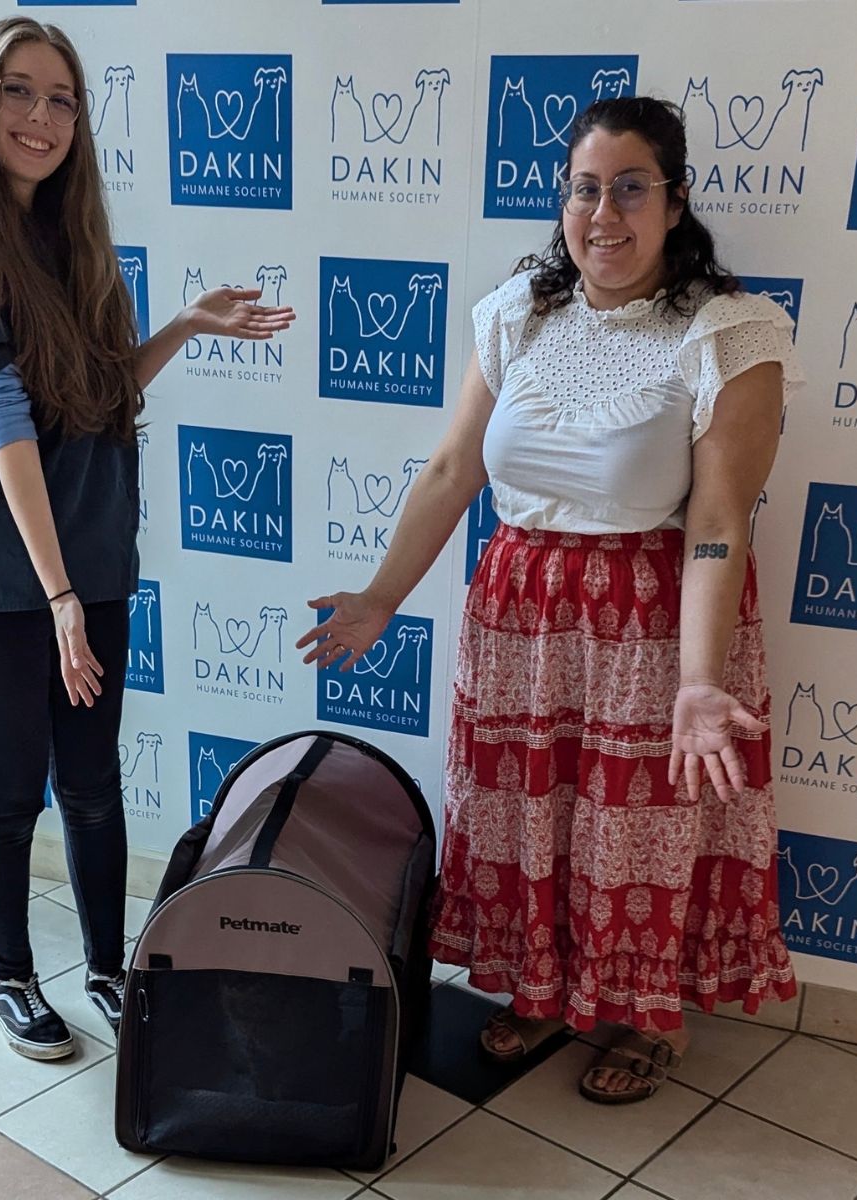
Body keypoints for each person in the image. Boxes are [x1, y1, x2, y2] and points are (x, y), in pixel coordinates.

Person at [299, 96, 801, 1104]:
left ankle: (646, 1018)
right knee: (532, 819)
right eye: (584, 188)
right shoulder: (518, 313)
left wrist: (699, 681)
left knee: (640, 828)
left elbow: (716, 520)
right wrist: (381, 597)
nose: (603, 213)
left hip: (652, 624)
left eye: (629, 188)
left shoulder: (727, 330)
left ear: (674, 200)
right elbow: (451, 471)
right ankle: (540, 991)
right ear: (561, 199)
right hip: (522, 613)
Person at [0, 17, 293, 1060]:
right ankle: (10, 980)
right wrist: (58, 598)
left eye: (62, 99)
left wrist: (186, 327)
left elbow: (96, 401)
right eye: (20, 91)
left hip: (89, 566)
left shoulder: (73, 241)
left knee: (94, 788)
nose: (42, 117)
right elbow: (9, 428)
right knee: (12, 794)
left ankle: (109, 968)